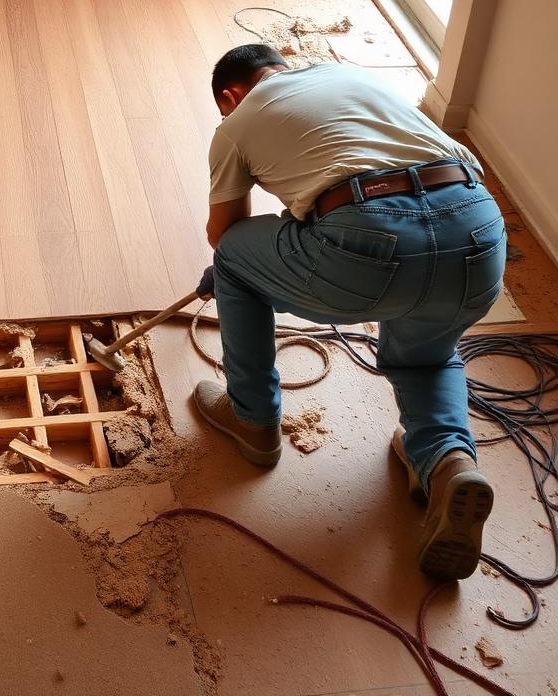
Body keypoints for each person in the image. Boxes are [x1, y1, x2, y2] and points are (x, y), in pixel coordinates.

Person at [194, 44, 506, 580]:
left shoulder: (238, 121)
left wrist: (232, 269)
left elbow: (225, 235)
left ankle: (253, 419)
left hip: (370, 241)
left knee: (235, 257)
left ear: (231, 95)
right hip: (477, 233)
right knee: (427, 356)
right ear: (284, 65)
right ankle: (447, 460)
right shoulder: (348, 75)